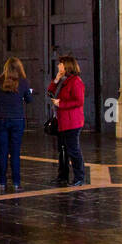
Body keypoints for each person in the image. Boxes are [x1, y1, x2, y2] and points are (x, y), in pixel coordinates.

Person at [0, 57, 33, 192]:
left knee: (2, 152)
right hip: (17, 120)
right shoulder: (23, 83)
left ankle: (2, 182)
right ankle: (16, 182)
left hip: (1, 119)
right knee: (15, 153)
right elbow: (29, 100)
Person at [49, 55, 86, 187]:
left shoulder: (75, 81)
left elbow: (79, 101)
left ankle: (79, 177)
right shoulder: (63, 80)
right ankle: (62, 176)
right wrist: (56, 79)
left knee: (73, 150)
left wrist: (61, 103)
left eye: (60, 64)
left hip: (72, 122)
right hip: (62, 121)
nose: (58, 66)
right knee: (62, 149)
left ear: (67, 66)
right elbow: (50, 91)